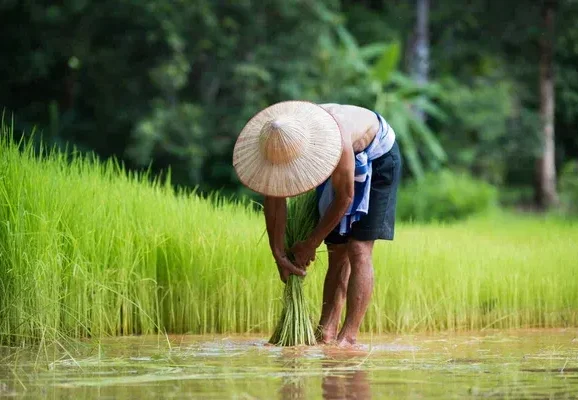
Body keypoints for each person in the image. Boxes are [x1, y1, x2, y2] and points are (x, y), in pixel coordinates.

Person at [232, 101, 402, 347]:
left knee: (358, 249)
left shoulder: (337, 135)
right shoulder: (276, 143)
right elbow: (275, 201)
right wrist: (279, 254)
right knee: (337, 250)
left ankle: (348, 337)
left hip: (378, 156)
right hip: (335, 162)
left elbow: (345, 197)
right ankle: (326, 333)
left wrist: (311, 243)